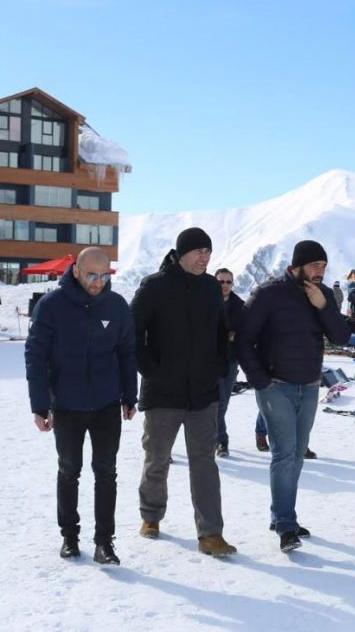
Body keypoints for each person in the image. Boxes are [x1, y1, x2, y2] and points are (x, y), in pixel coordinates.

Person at [24, 247, 138, 565]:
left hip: (105, 404)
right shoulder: (52, 306)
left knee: (106, 473)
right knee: (69, 471)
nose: (98, 282)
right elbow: (36, 356)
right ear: (76, 270)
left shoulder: (116, 306)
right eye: (92, 274)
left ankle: (105, 542)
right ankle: (70, 538)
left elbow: (128, 353)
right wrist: (40, 404)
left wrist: (130, 396)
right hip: (68, 405)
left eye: (104, 275)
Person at [236, 240, 350, 552]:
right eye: (314, 265)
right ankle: (286, 524)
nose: (320, 272)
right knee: (284, 454)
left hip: (310, 385)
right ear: (295, 267)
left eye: (324, 266)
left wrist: (323, 307)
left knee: (297, 455)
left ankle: (281, 515)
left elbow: (341, 336)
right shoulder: (269, 293)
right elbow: (244, 340)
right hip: (277, 386)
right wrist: (261, 380)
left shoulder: (323, 295)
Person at [130, 227, 237, 558]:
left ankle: (210, 533)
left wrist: (219, 366)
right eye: (198, 251)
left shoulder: (209, 287)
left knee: (204, 462)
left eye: (208, 251)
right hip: (163, 392)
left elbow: (221, 332)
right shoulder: (155, 286)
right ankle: (151, 516)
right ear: (181, 254)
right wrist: (152, 369)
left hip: (203, 393)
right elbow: (132, 334)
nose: (204, 257)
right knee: (157, 458)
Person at [214, 268, 245, 458]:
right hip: (210, 361)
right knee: (217, 404)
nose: (225, 285)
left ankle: (217, 439)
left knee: (222, 404)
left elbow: (247, 332)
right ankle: (221, 441)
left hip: (231, 361)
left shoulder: (240, 306)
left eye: (228, 282)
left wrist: (236, 337)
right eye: (221, 282)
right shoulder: (207, 302)